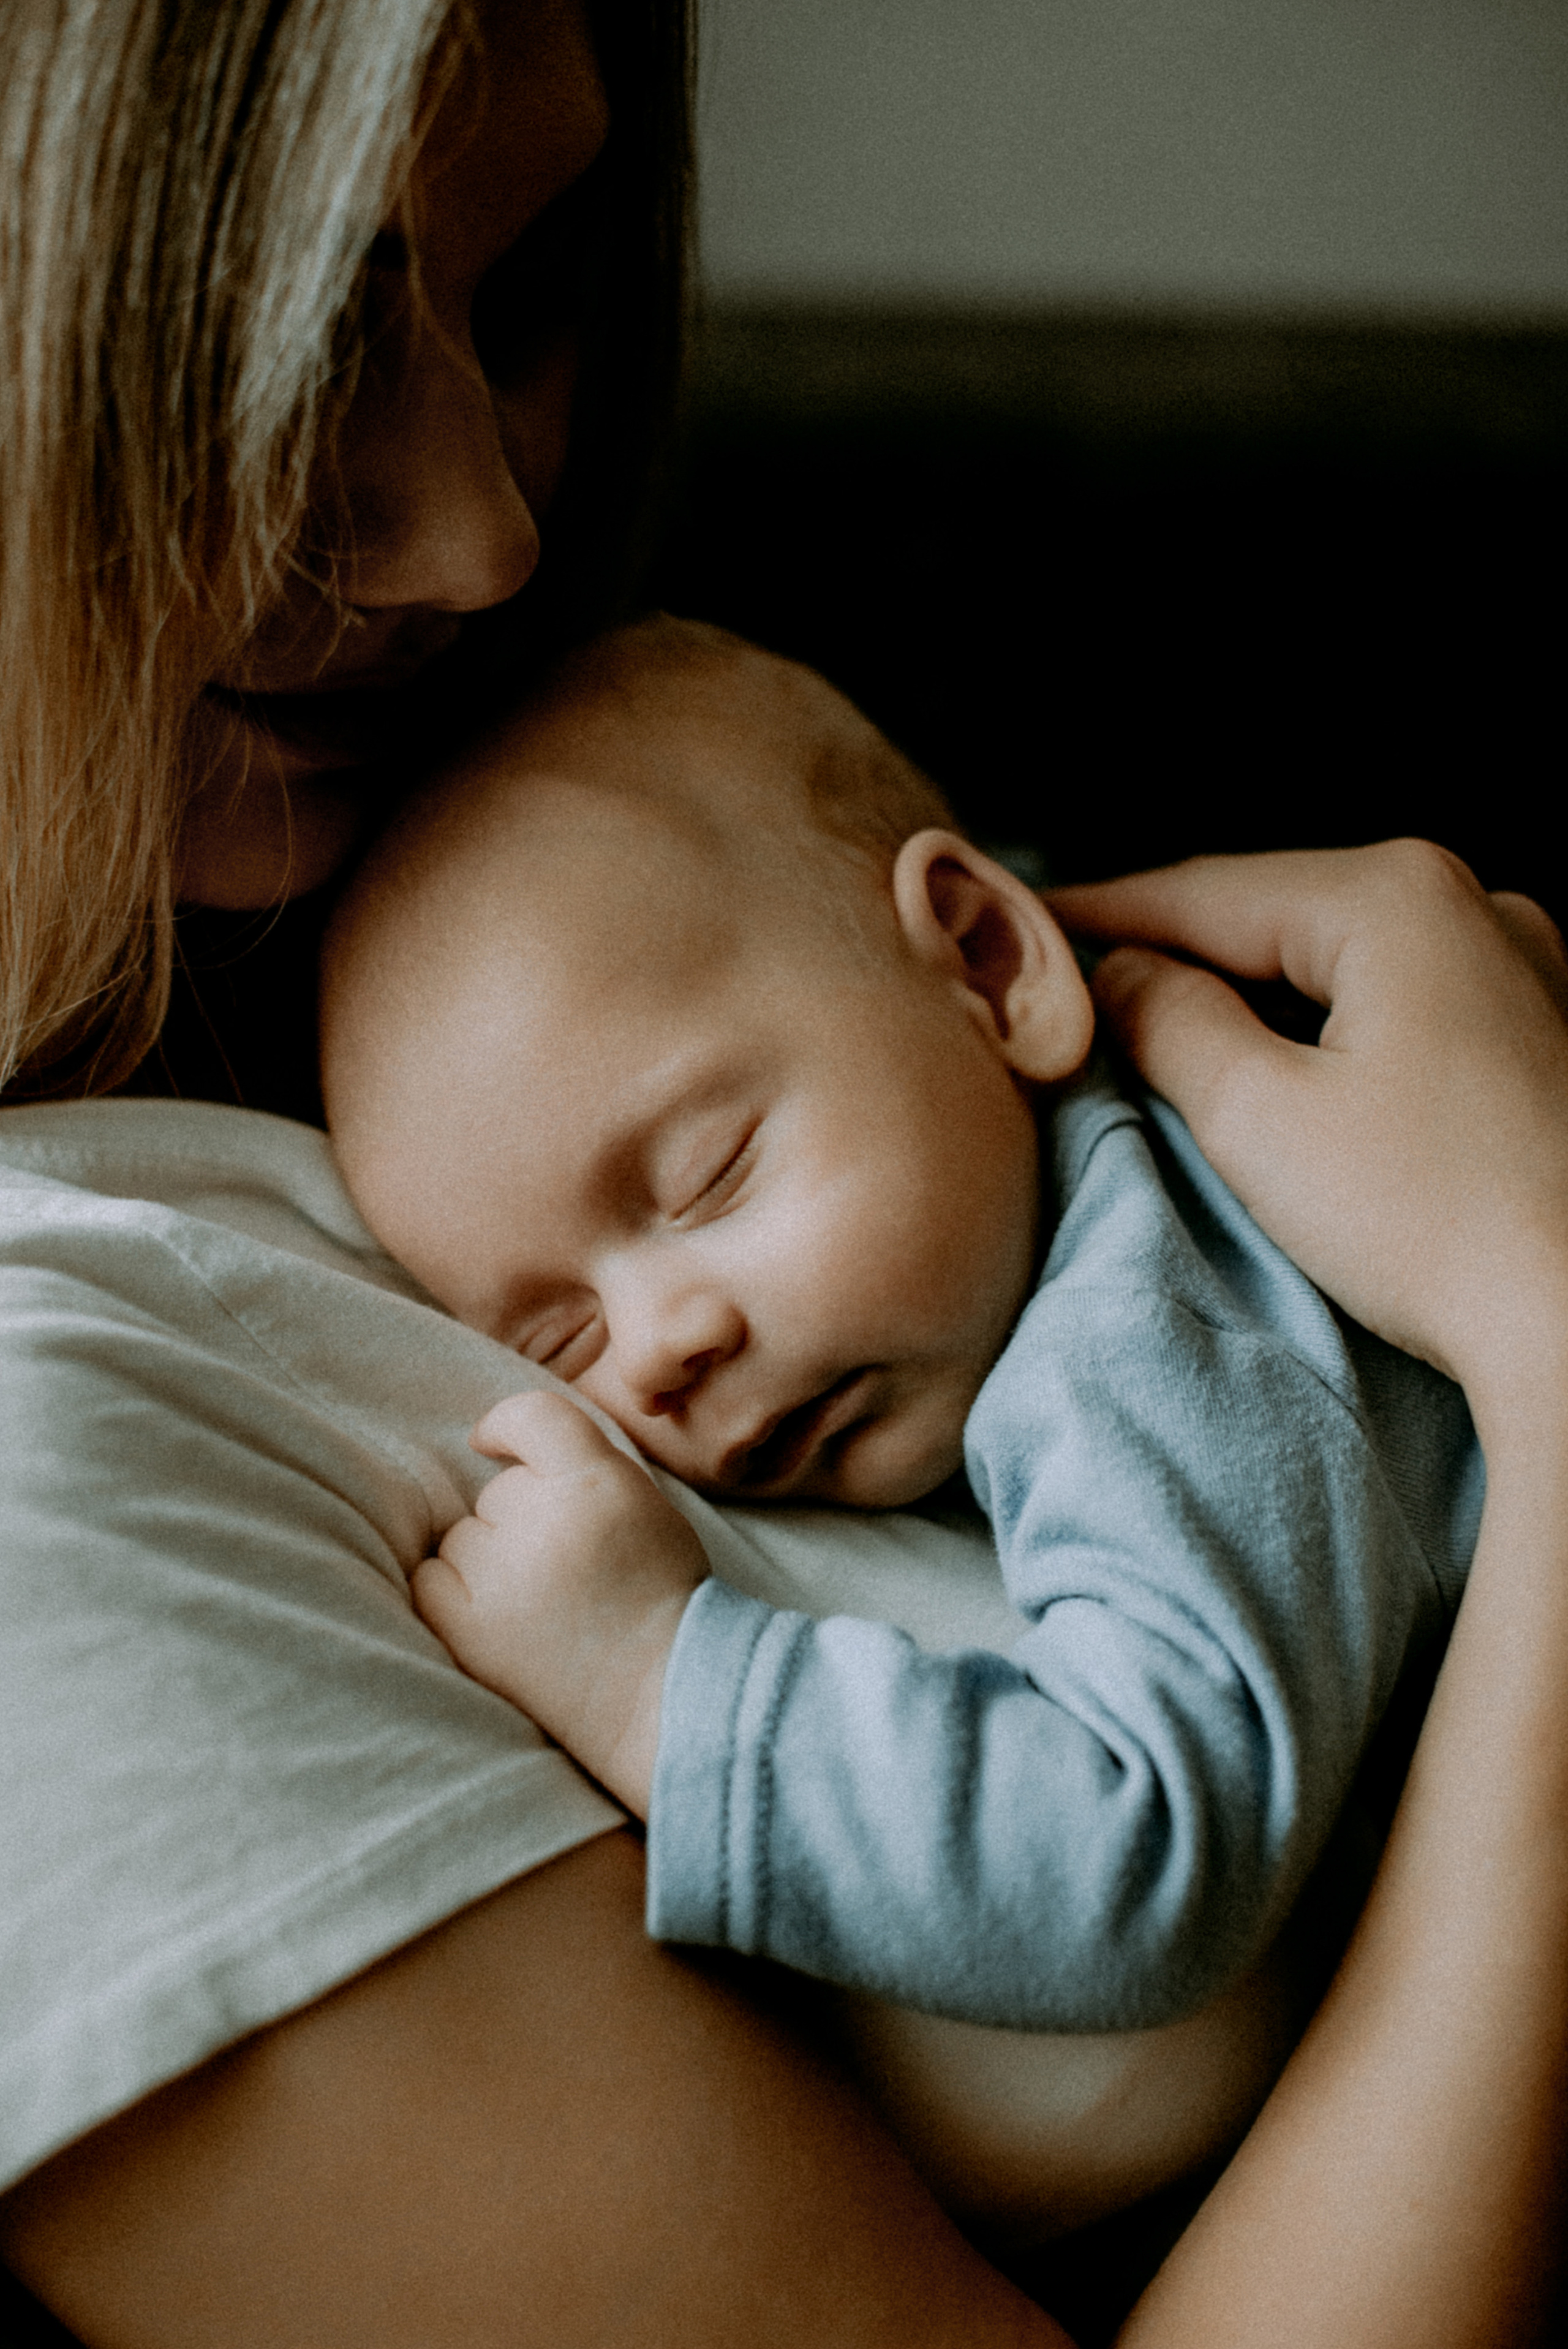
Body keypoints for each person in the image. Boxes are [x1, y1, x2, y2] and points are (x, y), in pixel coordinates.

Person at [1, 2, 1565, 2342]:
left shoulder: (1112, 1268)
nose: (486, 534)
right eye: (286, 340)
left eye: (521, 296)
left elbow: (1137, 1822)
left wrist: (670, 1676)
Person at [321, 615, 1480, 2037]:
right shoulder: (1012, 1120)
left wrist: (652, 1682)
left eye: (708, 1175)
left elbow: (1138, 1856)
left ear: (990, 963)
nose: (655, 1350)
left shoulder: (1150, 1337)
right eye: (556, 1341)